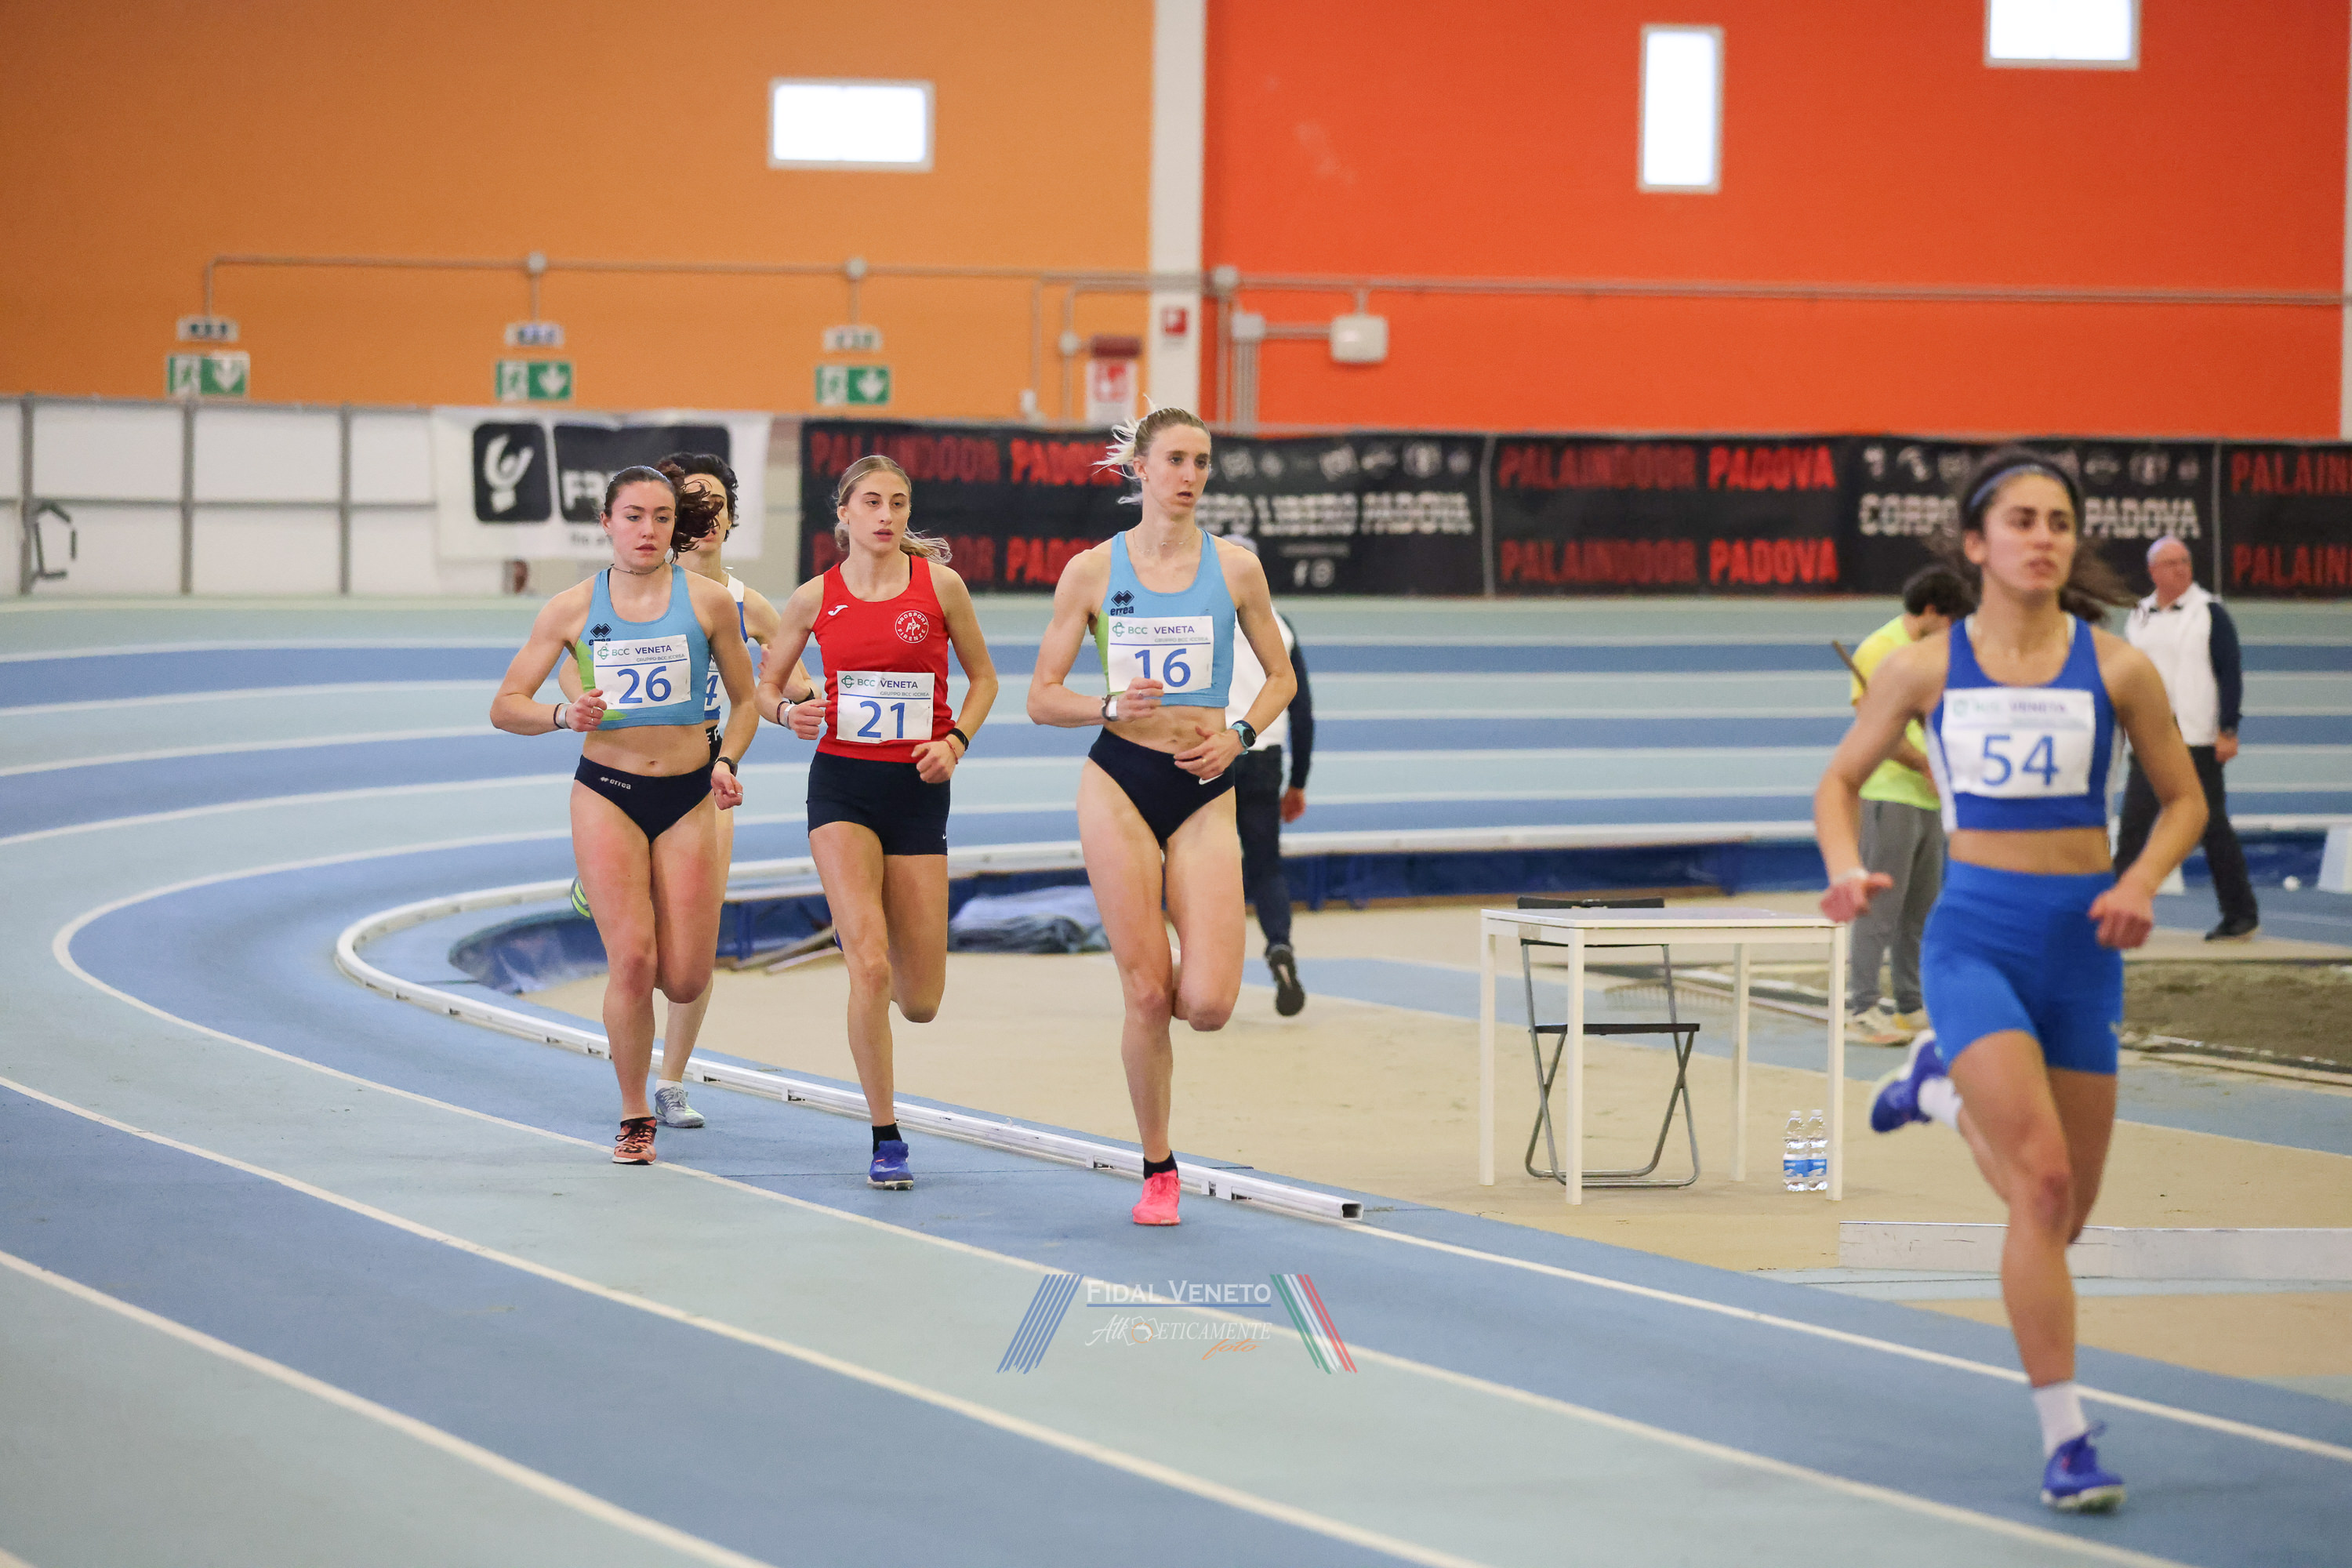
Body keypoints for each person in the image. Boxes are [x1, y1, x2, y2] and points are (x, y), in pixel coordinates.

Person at [1816, 448, 2205, 1515]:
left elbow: (2183, 800)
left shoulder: (2118, 668)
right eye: (2023, 520)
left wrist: (2141, 880)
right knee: (2039, 1183)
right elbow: (1838, 781)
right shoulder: (1924, 669)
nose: (2044, 537)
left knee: (2062, 1214)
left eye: (2060, 522)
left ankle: (1936, 1091)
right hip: (1976, 939)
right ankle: (2067, 1439)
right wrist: (1846, 868)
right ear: (1976, 543)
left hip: (2082, 950)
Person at [1027, 408, 1297, 1226]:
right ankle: (1158, 1167)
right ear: (1140, 468)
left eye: (1202, 462)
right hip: (1120, 781)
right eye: (1175, 459)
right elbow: (1042, 697)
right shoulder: (1090, 571)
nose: (1190, 475)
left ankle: (1180, 944)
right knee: (1147, 994)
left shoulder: (1237, 569)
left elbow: (1280, 678)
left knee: (1207, 1005)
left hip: (1205, 785)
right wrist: (1107, 703)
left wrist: (1240, 735)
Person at [491, 466, 761, 1165]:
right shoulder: (570, 609)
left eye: (662, 518)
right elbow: (506, 705)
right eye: (634, 516)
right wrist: (562, 715)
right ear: (606, 523)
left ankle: (630, 900)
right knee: (633, 962)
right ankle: (634, 1112)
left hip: (689, 795)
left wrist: (728, 761)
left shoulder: (709, 604)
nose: (648, 530)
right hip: (606, 794)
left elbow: (746, 701)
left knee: (687, 978)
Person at [756, 454, 997, 1191]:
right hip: (842, 789)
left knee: (919, 1001)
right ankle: (885, 1135)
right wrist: (788, 713)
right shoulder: (813, 598)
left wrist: (956, 742)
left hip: (919, 790)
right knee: (869, 965)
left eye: (897, 502)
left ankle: (870, 949)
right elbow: (765, 689)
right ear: (844, 514)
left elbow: (985, 679)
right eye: (871, 502)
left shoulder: (941, 587)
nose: (886, 515)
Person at [558, 454, 817, 1130]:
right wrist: (582, 703)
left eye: (714, 506)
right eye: (690, 505)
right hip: (627, 769)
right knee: (637, 945)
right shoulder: (630, 589)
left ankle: (672, 1078)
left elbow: (785, 688)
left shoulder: (741, 604)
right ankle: (604, 885)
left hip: (707, 775)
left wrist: (796, 703)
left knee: (691, 950)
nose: (703, 519)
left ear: (728, 518)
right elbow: (573, 660)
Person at [1843, 564, 1976, 1046]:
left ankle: (1910, 1004)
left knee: (1921, 909)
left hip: (1929, 795)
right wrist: (1923, 763)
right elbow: (1871, 728)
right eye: (1951, 621)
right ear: (1930, 611)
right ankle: (1860, 1007)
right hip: (1889, 793)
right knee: (1880, 909)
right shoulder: (1880, 650)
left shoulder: (1938, 653)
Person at [2118, 536, 2259, 941]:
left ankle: (2241, 915)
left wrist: (2228, 728)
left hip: (2197, 737)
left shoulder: (2210, 612)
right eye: (2171, 562)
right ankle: (2116, 911)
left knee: (2212, 825)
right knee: (2133, 826)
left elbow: (2229, 672)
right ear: (2153, 571)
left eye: (2185, 561)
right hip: (2149, 736)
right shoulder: (2139, 615)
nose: (2181, 568)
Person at [1223, 586, 1313, 1015]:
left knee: (1205, 866)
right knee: (1266, 866)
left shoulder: (1198, 619)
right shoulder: (1280, 625)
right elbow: (1302, 713)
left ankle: (1212, 970)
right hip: (1264, 757)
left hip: (1212, 752)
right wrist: (1298, 783)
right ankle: (1279, 944)